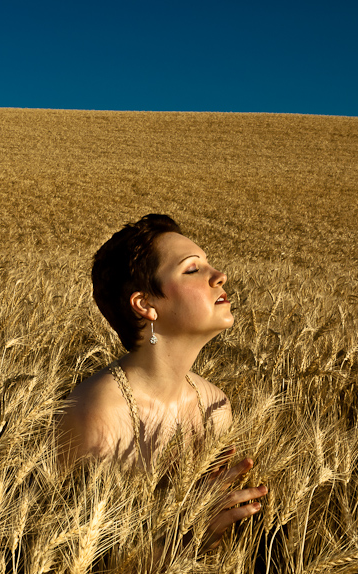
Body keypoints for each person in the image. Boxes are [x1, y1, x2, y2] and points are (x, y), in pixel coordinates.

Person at [56, 213, 269, 556]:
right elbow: (75, 557)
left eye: (209, 263)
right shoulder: (96, 414)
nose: (219, 276)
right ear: (145, 305)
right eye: (192, 269)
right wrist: (193, 536)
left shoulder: (214, 406)